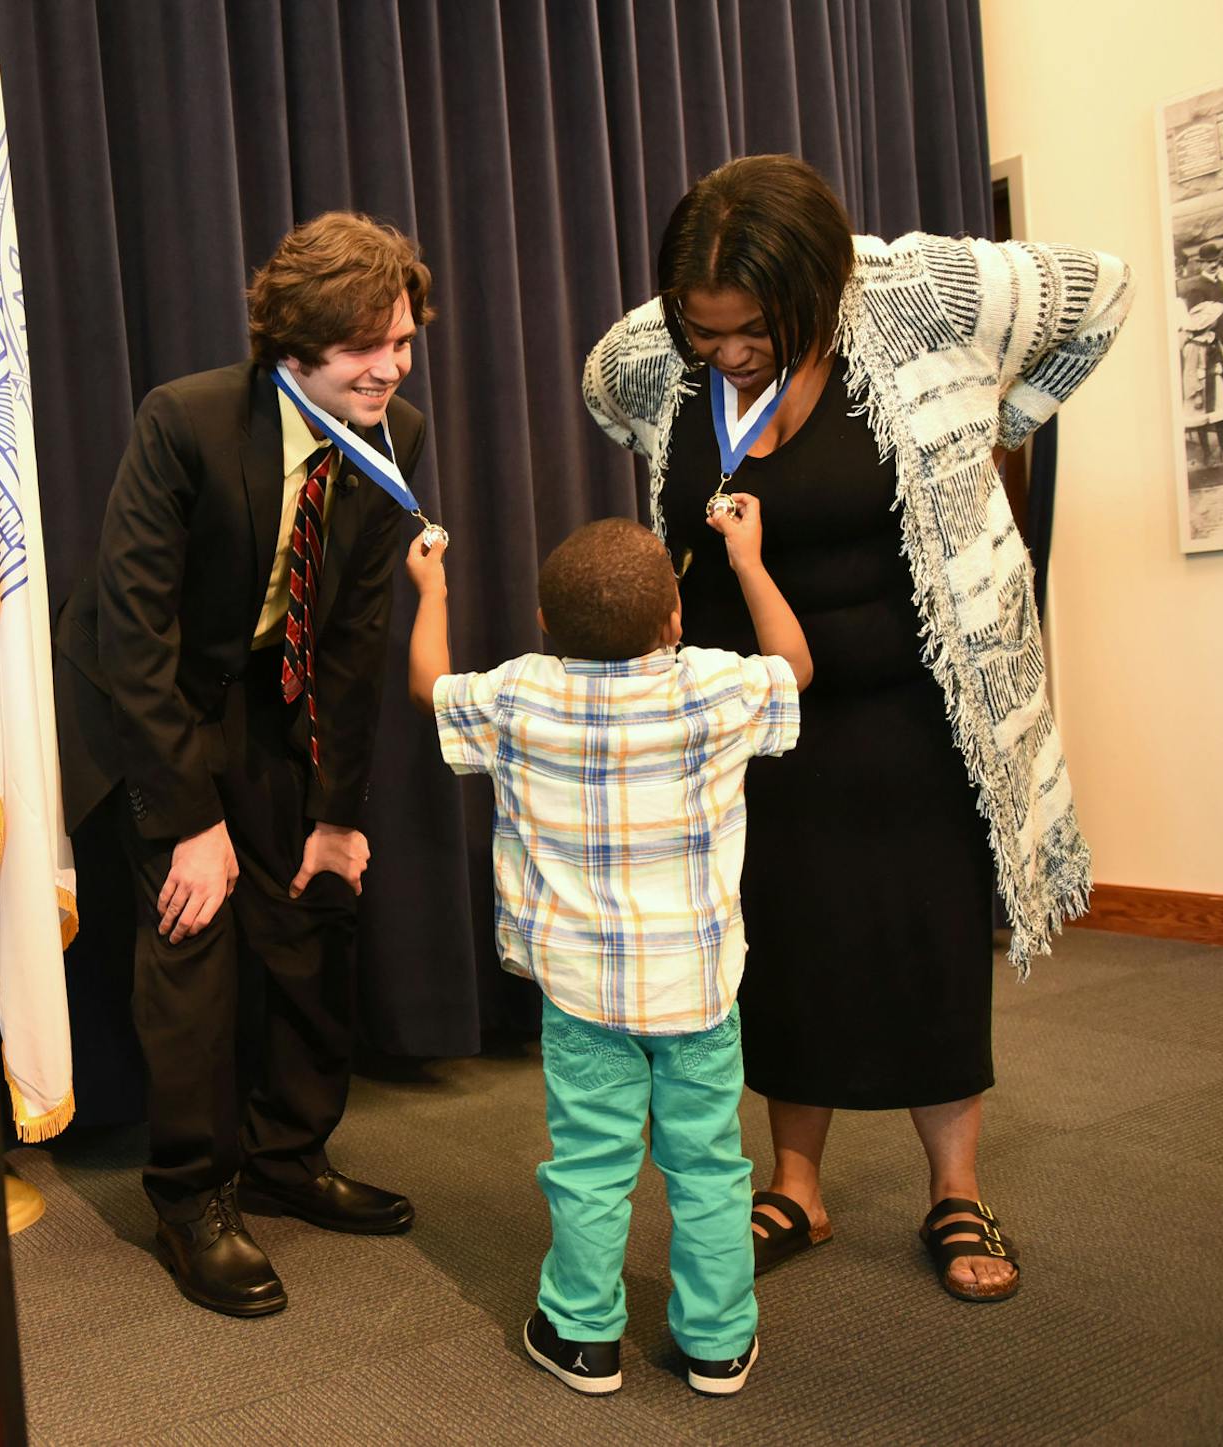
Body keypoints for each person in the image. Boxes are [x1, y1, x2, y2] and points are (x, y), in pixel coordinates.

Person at [580, 154, 1132, 1303]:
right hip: (750, 720)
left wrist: (999, 419)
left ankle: (955, 1189)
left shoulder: (917, 297)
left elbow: (1103, 290)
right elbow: (608, 389)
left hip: (907, 711)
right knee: (782, 948)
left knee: (919, 939)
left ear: (815, 291)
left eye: (752, 333)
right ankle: (798, 1184)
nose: (725, 355)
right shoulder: (654, 355)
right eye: (706, 332)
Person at [52, 211, 432, 1317]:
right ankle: (191, 1197)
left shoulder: (391, 427)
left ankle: (286, 1157)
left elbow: (356, 635)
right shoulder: (187, 418)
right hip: (152, 695)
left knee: (317, 914)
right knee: (195, 932)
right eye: (367, 346)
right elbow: (132, 632)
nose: (391, 365)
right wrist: (188, 820)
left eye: (402, 340)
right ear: (296, 342)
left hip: (271, 694)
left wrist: (335, 811)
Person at [406, 506, 807, 1397]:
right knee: (709, 1164)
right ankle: (717, 1341)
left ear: (547, 627)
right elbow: (797, 667)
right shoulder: (713, 685)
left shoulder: (520, 692)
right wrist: (746, 559)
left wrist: (431, 589)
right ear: (674, 618)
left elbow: (429, 685)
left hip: (583, 991)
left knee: (590, 1161)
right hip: (699, 988)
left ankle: (584, 1336)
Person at [1176, 243, 1223, 467]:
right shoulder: (1197, 287)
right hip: (1202, 349)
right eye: (1209, 262)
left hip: (1220, 345)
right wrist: (1206, 333)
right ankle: (1207, 452)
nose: (1214, 265)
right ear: (1202, 264)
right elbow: (1197, 319)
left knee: (1221, 406)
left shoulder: (1219, 283)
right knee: (1203, 408)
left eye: (1216, 261)